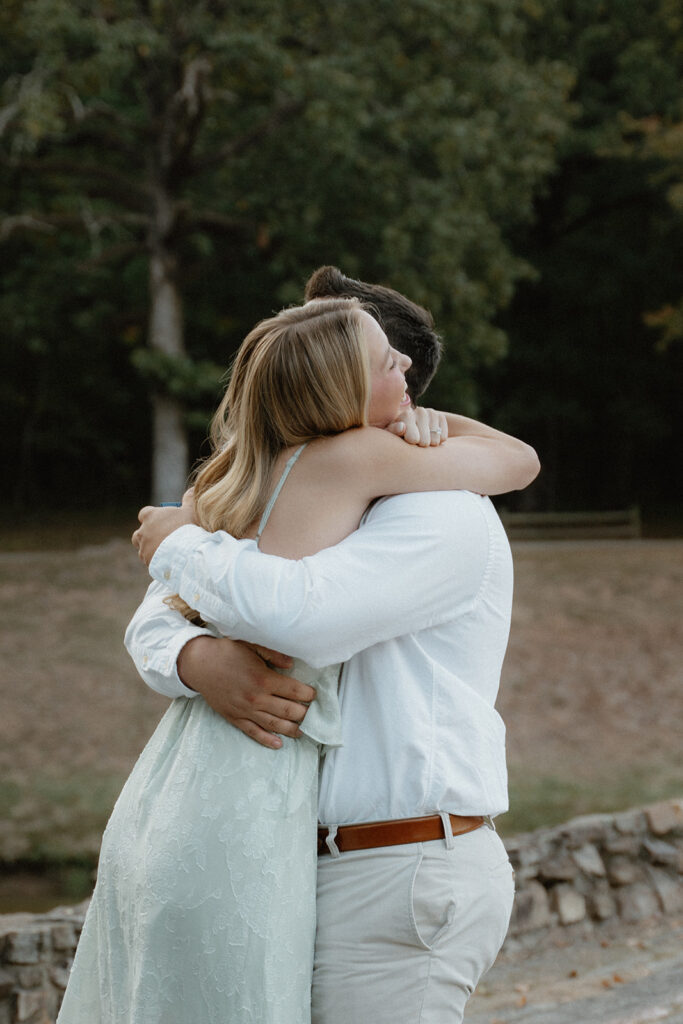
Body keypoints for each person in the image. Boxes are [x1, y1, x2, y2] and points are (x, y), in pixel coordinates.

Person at [59, 293, 538, 1024]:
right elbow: (157, 619)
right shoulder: (261, 486)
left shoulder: (437, 509)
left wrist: (178, 541)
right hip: (286, 856)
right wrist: (196, 659)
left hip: (399, 863)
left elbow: (299, 620)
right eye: (385, 359)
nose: (402, 366)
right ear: (342, 385)